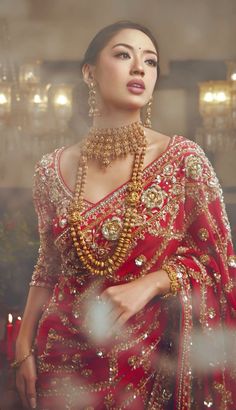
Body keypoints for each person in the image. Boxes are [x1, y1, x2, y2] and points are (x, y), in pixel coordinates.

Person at [14, 20, 236, 409]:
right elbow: (48, 267)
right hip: (59, 359)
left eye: (150, 62)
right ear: (89, 72)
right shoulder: (50, 170)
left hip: (148, 364)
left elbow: (220, 266)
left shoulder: (183, 161)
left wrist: (152, 283)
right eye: (123, 55)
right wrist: (22, 346)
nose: (139, 68)